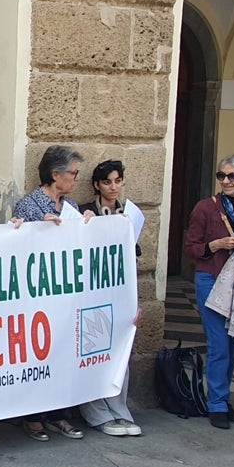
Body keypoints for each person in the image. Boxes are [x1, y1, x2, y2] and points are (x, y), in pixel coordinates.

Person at [11, 145, 89, 442]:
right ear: (55, 175)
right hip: (36, 296)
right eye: (73, 173)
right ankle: (33, 418)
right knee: (36, 355)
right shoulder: (29, 205)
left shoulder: (71, 206)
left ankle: (59, 415)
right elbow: (17, 246)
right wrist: (39, 231)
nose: (76, 179)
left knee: (62, 355)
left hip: (65, 297)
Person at [185, 154, 234, 429]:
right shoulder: (206, 208)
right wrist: (216, 244)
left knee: (233, 344)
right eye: (222, 176)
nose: (226, 181)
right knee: (218, 342)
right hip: (211, 276)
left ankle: (223, 397)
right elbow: (192, 247)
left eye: (232, 176)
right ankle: (216, 403)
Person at [76, 160, 142, 437]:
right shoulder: (83, 212)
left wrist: (136, 301)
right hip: (91, 294)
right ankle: (97, 413)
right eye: (107, 182)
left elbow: (132, 259)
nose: (113, 187)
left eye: (118, 181)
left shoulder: (129, 214)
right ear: (96, 185)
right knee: (90, 352)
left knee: (119, 353)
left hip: (119, 295)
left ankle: (119, 409)